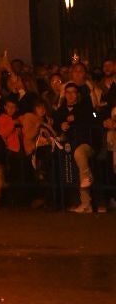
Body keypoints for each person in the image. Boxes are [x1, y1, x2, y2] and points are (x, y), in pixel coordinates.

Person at [54, 81, 98, 213]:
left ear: (78, 94)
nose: (71, 95)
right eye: (68, 92)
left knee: (79, 155)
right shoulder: (61, 110)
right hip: (67, 146)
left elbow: (94, 118)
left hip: (85, 144)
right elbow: (56, 123)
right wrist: (61, 126)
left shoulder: (85, 107)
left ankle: (86, 201)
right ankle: (71, 201)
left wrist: (77, 118)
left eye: (73, 92)